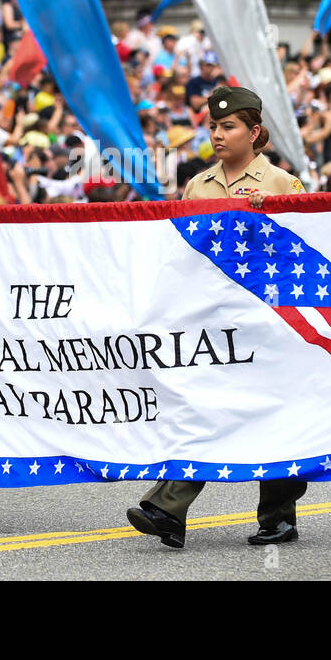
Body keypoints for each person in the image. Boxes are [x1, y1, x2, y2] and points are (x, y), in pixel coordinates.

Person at [126, 85, 306, 549]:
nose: (217, 134)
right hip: (213, 317)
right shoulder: (198, 185)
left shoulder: (281, 183)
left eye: (228, 126)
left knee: (273, 413)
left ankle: (278, 515)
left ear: (255, 131)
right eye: (213, 126)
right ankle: (169, 510)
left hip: (268, 318)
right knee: (203, 406)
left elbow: (306, 250)